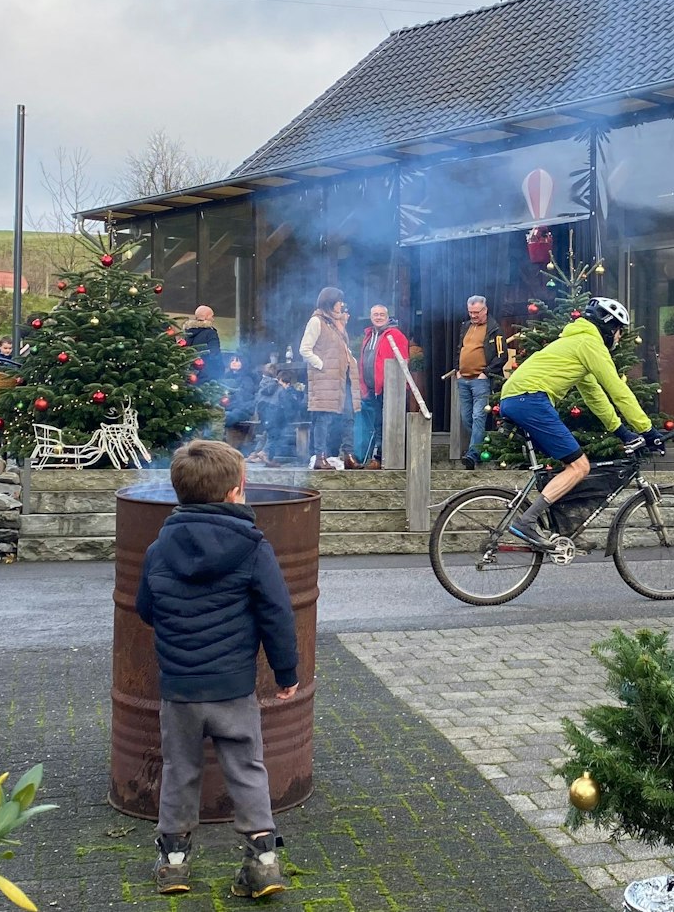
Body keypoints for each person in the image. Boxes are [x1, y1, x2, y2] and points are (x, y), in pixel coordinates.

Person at [135, 440, 297, 900]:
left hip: (180, 687)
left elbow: (145, 608)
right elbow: (276, 612)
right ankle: (263, 862)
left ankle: (174, 863)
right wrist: (286, 673)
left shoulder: (157, 549)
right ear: (236, 492)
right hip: (232, 687)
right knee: (247, 767)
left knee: (180, 768)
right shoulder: (252, 546)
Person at [497, 297, 662, 543]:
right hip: (530, 399)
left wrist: (621, 431)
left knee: (569, 466)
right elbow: (618, 389)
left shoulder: (576, 343)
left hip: (517, 398)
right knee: (579, 467)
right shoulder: (589, 343)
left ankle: (558, 526)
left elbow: (594, 395)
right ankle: (526, 522)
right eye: (618, 331)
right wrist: (647, 430)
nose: (618, 338)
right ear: (607, 326)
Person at [298, 288, 359, 470]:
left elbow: (339, 349)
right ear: (330, 302)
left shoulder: (336, 324)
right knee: (323, 418)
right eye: (339, 301)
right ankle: (320, 457)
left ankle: (348, 455)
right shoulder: (316, 321)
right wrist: (322, 365)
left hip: (343, 378)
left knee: (348, 417)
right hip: (325, 379)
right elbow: (305, 349)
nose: (342, 305)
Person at [453, 295, 506, 470]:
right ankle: (482, 446)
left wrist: (487, 372)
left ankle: (472, 454)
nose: (473, 316)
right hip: (464, 379)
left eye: (476, 312)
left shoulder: (494, 329)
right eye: (470, 312)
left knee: (478, 416)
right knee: (466, 417)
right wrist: (457, 370)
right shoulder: (465, 326)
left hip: (480, 381)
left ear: (485, 310)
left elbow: (502, 355)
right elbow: (460, 349)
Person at [354, 304, 409, 470]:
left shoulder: (395, 335)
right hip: (371, 389)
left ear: (387, 316)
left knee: (385, 424)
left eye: (381, 314)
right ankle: (373, 456)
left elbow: (403, 361)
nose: (378, 317)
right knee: (375, 424)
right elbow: (364, 361)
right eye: (375, 314)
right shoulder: (369, 336)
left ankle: (380, 458)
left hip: (389, 389)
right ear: (371, 317)